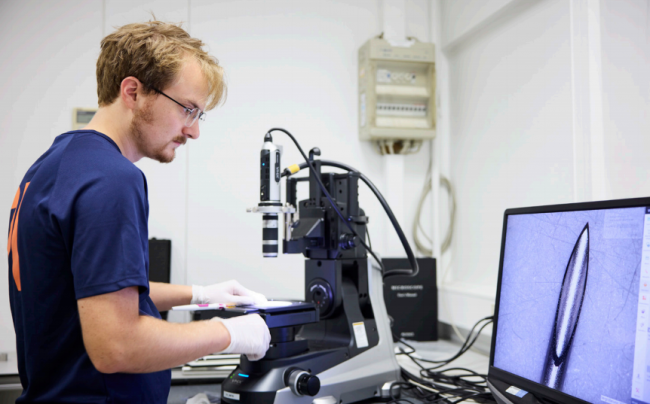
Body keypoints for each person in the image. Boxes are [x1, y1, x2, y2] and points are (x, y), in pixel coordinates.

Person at [7, 20, 271, 403]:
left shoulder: (52, 166)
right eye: (188, 109)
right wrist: (229, 333)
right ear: (133, 92)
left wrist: (200, 295)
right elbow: (117, 346)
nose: (193, 131)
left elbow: (94, 293)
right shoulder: (111, 178)